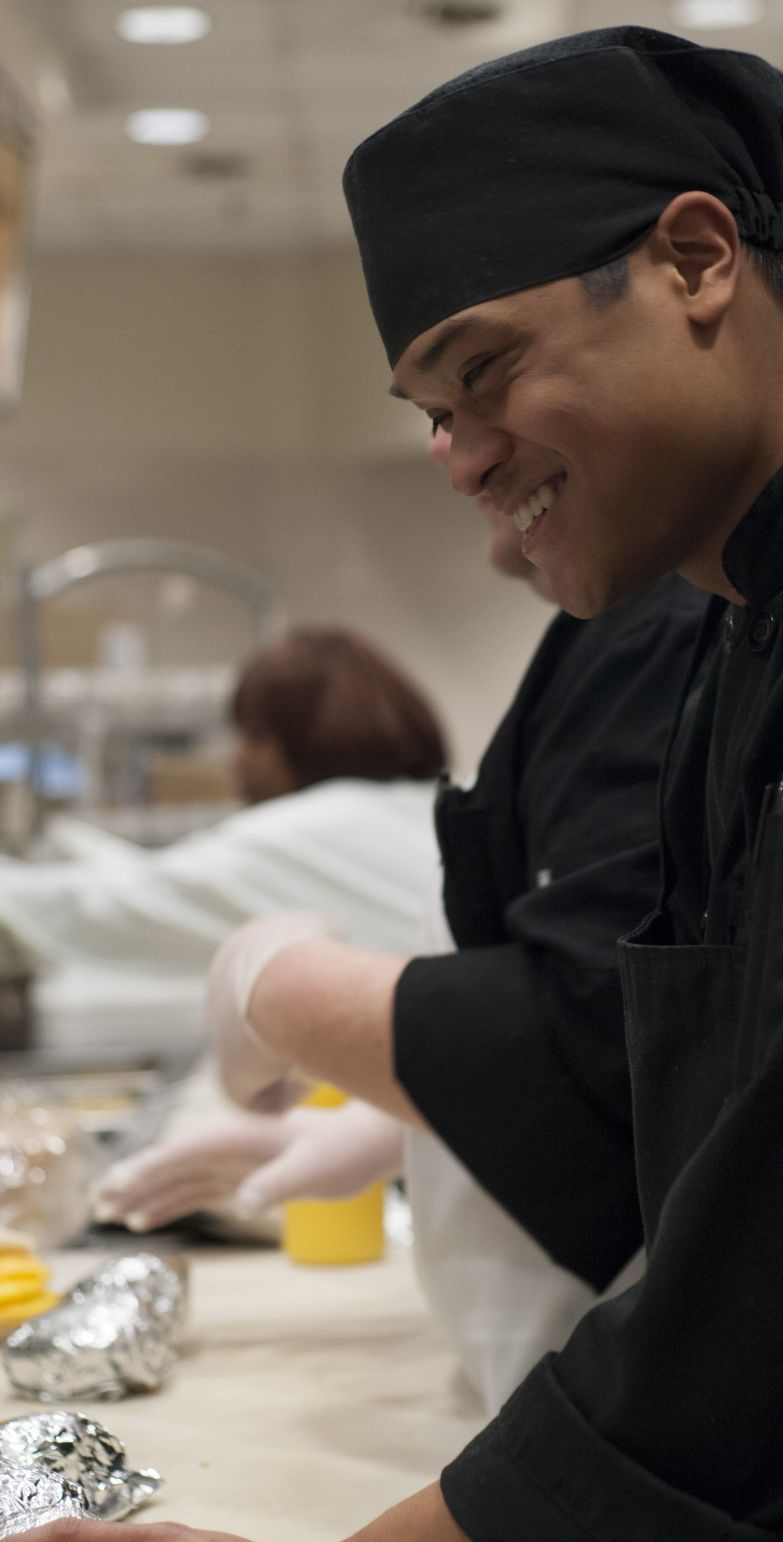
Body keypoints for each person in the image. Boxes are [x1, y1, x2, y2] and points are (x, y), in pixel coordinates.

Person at [28, 19, 783, 1542]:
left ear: (697, 260)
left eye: (484, 370)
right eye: (433, 413)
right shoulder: (750, 630)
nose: (458, 458)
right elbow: (733, 1145)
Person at [95, 428, 707, 1410]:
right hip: (541, 1375)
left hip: (605, 1394)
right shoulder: (603, 642)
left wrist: (274, 985)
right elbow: (625, 1007)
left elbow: (601, 1042)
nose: (449, 452)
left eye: (478, 376)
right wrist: (391, 1127)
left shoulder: (669, 632)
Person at [0, 626, 446, 974]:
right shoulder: (437, 806)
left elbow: (120, 906)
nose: (237, 758)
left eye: (253, 737)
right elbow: (167, 882)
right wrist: (73, 841)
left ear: (309, 740)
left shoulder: (306, 831)